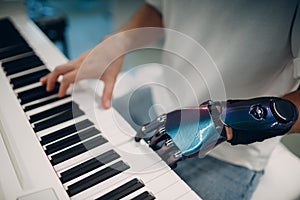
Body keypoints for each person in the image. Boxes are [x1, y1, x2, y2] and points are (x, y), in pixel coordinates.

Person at [40, 1, 300, 199]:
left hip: (228, 154)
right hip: (156, 101)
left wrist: (224, 121)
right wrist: (116, 44)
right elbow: (159, 7)